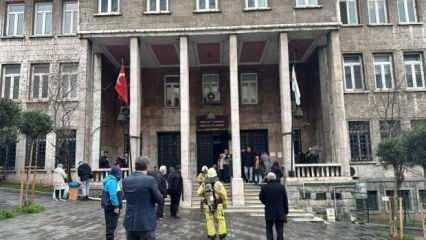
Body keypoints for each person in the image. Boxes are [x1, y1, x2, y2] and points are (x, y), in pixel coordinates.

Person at [123, 158, 163, 240]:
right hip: (146, 223)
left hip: (130, 222)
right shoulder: (149, 180)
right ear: (147, 166)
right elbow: (160, 199)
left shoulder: (126, 180)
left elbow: (126, 197)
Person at [197, 168, 228, 240]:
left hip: (207, 204)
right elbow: (224, 194)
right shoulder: (219, 184)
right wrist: (224, 203)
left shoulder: (204, 183)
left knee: (209, 220)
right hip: (218, 204)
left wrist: (204, 195)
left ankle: (211, 234)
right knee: (221, 219)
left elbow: (198, 192)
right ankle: (222, 234)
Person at [259, 172, 289, 240]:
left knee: (269, 229)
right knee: (280, 230)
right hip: (280, 212)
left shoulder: (264, 187)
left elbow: (261, 198)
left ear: (268, 179)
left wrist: (266, 203)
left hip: (269, 211)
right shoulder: (281, 187)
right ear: (275, 178)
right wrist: (286, 211)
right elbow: (285, 200)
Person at [101, 166, 123, 240]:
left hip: (109, 206)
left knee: (110, 226)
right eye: (120, 173)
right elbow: (113, 195)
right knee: (111, 226)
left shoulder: (109, 180)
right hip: (112, 207)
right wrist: (116, 206)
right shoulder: (112, 181)